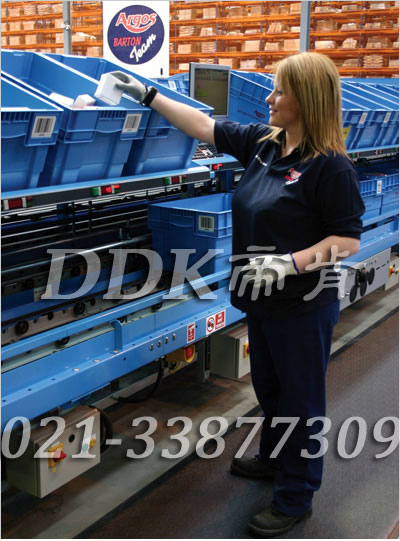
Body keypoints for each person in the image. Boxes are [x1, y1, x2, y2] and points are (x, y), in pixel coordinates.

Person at [111, 51, 365, 537]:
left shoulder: (331, 167)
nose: (269, 99)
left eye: (279, 91)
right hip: (261, 299)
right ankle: (273, 458)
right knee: (270, 389)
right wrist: (148, 94)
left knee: (300, 401)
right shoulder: (266, 145)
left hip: (302, 305)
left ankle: (296, 496)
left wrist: (290, 263)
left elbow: (346, 241)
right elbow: (203, 127)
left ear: (307, 100)